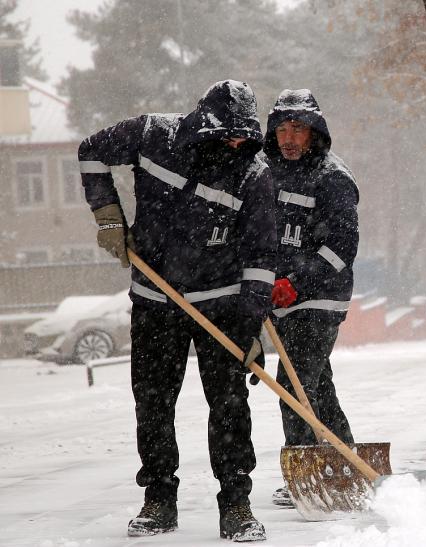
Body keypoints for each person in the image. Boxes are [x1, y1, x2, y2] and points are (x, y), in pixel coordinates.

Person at [78, 80, 276, 541]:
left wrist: (250, 329)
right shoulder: (152, 135)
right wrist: (108, 213)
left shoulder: (253, 172)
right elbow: (90, 151)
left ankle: (236, 505)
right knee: (152, 403)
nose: (235, 143)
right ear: (202, 125)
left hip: (221, 304)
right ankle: (159, 500)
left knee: (228, 406)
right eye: (227, 134)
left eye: (243, 136)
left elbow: (262, 256)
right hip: (154, 299)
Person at [261, 89, 359, 506]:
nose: (289, 138)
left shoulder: (333, 178)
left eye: (297, 129)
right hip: (283, 300)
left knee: (294, 383)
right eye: (282, 129)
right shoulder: (267, 174)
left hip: (321, 299)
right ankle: (346, 461)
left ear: (314, 131)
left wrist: (296, 281)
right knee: (316, 385)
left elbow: (341, 247)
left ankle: (306, 470)